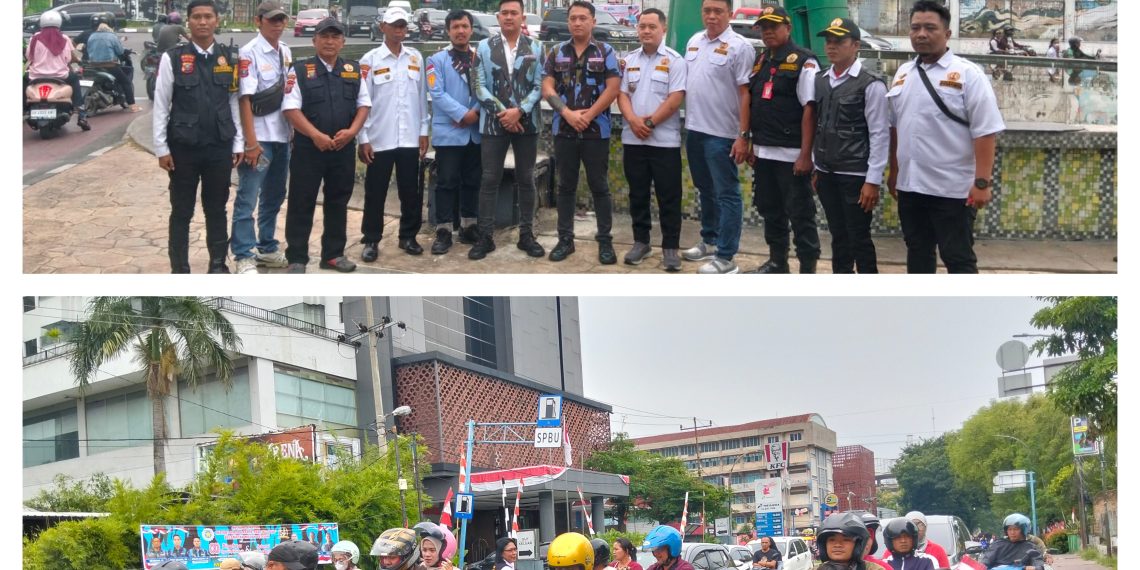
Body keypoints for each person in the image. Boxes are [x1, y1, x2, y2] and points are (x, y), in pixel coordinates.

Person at [886, 1, 1004, 274]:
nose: (921, 34)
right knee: (917, 253)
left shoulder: (968, 75)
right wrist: (894, 172)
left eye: (930, 28)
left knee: (958, 258)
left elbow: (985, 130)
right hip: (911, 187)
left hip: (953, 191)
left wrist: (982, 183)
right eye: (915, 28)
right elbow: (896, 127)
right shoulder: (904, 73)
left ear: (947, 34)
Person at [152, 0, 243, 273]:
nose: (202, 22)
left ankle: (217, 264)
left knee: (216, 209)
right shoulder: (173, 58)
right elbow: (161, 103)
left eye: (208, 17)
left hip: (218, 146)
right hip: (183, 148)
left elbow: (234, 101)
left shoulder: (229, 58)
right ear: (188, 22)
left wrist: (238, 142)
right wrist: (161, 148)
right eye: (197, 17)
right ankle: (180, 268)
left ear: (217, 20)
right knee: (182, 211)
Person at [281, 17, 370, 273]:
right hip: (309, 149)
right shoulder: (299, 70)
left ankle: (333, 254)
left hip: (342, 149)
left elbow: (364, 104)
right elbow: (290, 109)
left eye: (335, 37)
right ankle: (297, 257)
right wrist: (315, 135)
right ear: (314, 40)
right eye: (324, 36)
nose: (329, 41)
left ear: (342, 41)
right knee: (301, 201)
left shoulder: (353, 70)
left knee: (338, 201)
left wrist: (352, 132)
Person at [542, 0, 622, 263]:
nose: (577, 22)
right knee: (565, 186)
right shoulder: (555, 52)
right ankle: (565, 240)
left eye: (583, 18)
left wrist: (587, 115)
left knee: (599, 186)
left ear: (593, 21)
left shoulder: (605, 50)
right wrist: (567, 113)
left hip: (596, 131)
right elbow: (547, 88)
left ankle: (605, 242)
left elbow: (613, 88)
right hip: (564, 129)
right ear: (568, 21)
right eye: (573, 18)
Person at [744, 5, 821, 274]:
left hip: (791, 156)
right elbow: (757, 103)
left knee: (801, 216)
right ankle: (778, 263)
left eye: (774, 26)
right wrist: (753, 142)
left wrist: (805, 155)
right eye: (764, 27)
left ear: (788, 28)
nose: (768, 32)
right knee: (770, 211)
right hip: (764, 153)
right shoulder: (762, 60)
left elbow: (810, 109)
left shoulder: (804, 61)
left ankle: (808, 270)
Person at [681, 0, 756, 273]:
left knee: (727, 194)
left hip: (723, 134)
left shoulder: (740, 46)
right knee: (705, 189)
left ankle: (726, 257)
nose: (711, 16)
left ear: (730, 13)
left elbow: (746, 92)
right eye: (707, 11)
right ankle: (709, 240)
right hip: (696, 130)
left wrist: (743, 136)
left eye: (718, 12)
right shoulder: (694, 41)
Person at [469, 0, 546, 260]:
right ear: (498, 17)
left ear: (522, 16)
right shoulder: (482, 46)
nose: (509, 17)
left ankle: (527, 235)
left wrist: (520, 111)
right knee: (490, 178)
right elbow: (478, 86)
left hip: (527, 123)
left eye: (514, 13)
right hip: (494, 122)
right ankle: (486, 236)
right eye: (505, 13)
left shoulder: (536, 46)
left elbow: (539, 86)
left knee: (526, 178)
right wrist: (504, 112)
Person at [811, 18, 888, 274]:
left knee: (859, 237)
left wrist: (872, 180)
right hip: (826, 172)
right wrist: (815, 166)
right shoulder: (821, 79)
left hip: (855, 175)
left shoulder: (870, 84)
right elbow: (818, 125)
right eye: (828, 41)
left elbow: (879, 134)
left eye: (839, 41)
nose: (831, 46)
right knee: (838, 236)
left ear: (855, 45)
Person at [616, 8, 686, 270]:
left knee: (669, 196)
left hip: (664, 141)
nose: (646, 31)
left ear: (663, 29)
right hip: (633, 139)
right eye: (642, 26)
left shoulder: (674, 60)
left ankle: (670, 248)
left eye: (652, 27)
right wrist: (634, 121)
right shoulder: (629, 59)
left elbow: (676, 97)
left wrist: (650, 122)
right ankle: (640, 242)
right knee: (638, 194)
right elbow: (621, 94)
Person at [359, 7, 430, 261]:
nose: (399, 30)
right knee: (375, 192)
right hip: (380, 138)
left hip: (409, 137)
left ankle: (408, 236)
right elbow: (362, 102)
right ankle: (371, 239)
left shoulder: (415, 58)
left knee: (411, 190)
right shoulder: (370, 60)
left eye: (403, 25)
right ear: (383, 27)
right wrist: (363, 138)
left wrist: (423, 130)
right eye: (394, 25)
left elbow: (421, 96)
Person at [232, 0, 292, 274]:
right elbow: (244, 99)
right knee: (248, 196)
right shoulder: (250, 53)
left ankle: (267, 247)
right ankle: (244, 254)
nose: (278, 24)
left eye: (281, 20)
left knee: (275, 195)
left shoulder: (286, 51)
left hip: (282, 136)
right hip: (260, 138)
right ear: (259, 21)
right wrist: (251, 142)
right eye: (272, 20)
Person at [426, 9, 484, 255]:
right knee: (447, 182)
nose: (461, 31)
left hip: (475, 132)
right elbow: (436, 93)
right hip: (450, 132)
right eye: (455, 27)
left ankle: (469, 225)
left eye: (465, 26)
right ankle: (444, 230)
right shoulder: (436, 60)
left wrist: (477, 112)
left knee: (472, 180)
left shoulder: (481, 59)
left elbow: (490, 91)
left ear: (471, 29)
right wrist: (462, 113)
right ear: (448, 31)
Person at [25, 10, 89, 131]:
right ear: (59, 23)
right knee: (75, 80)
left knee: (23, 82)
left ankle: (23, 107)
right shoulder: (64, 38)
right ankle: (81, 115)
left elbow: (29, 56)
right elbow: (69, 58)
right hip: (60, 75)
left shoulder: (34, 38)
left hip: (36, 76)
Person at [85, 21, 142, 112]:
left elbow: (89, 50)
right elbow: (120, 51)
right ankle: (132, 105)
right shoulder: (112, 36)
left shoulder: (92, 36)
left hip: (93, 65)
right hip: (109, 65)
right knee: (126, 82)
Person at [981, 514, 1046, 570]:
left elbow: (1039, 564)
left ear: (1024, 530)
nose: (1012, 532)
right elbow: (985, 561)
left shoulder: (1031, 547)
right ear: (1006, 531)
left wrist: (1033, 568)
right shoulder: (997, 545)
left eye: (1016, 529)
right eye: (1010, 529)